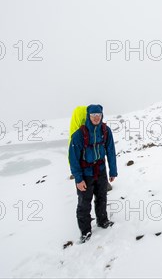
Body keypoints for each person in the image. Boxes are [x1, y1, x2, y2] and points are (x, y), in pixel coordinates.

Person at [68, 104, 118, 243]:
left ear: (102, 116)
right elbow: (73, 159)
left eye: (98, 115)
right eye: (93, 115)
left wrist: (113, 171)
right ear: (88, 116)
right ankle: (85, 231)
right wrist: (78, 179)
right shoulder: (79, 134)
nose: (96, 118)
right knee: (84, 203)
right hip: (85, 174)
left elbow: (111, 151)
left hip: (101, 170)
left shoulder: (105, 131)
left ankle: (103, 221)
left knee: (102, 197)